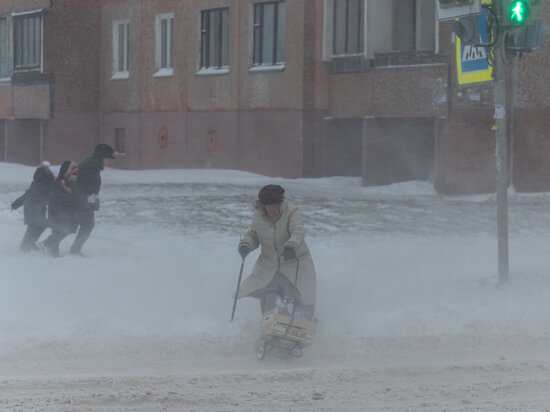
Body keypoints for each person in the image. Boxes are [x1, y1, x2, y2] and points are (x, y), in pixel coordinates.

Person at [236, 184, 316, 320]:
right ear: (263, 206)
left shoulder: (291, 211)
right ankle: (268, 326)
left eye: (275, 206)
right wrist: (246, 245)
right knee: (267, 292)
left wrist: (291, 246)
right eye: (269, 207)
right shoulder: (259, 215)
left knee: (298, 295)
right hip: (269, 263)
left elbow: (297, 231)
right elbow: (253, 235)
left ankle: (300, 327)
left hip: (295, 262)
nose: (273, 210)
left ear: (281, 202)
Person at [69, 143, 115, 255]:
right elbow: (87, 186)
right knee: (87, 224)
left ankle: (52, 243)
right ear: (102, 156)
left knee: (78, 224)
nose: (108, 161)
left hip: (81, 199)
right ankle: (73, 249)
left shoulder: (92, 162)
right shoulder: (92, 165)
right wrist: (91, 202)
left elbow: (89, 186)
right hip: (81, 200)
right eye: (108, 158)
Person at [11, 161, 55, 252]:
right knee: (34, 227)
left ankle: (29, 243)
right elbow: (32, 194)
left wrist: (15, 204)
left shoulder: (39, 181)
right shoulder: (46, 181)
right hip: (34, 207)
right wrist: (15, 204)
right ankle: (24, 247)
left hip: (34, 207)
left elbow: (27, 194)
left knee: (38, 226)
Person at [40, 161, 79, 257]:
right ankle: (53, 253)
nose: (75, 176)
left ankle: (46, 243)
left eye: (75, 174)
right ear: (67, 172)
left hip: (67, 211)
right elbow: (60, 197)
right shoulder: (60, 182)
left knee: (68, 229)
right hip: (57, 211)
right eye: (73, 174)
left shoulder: (70, 183)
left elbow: (74, 195)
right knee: (58, 230)